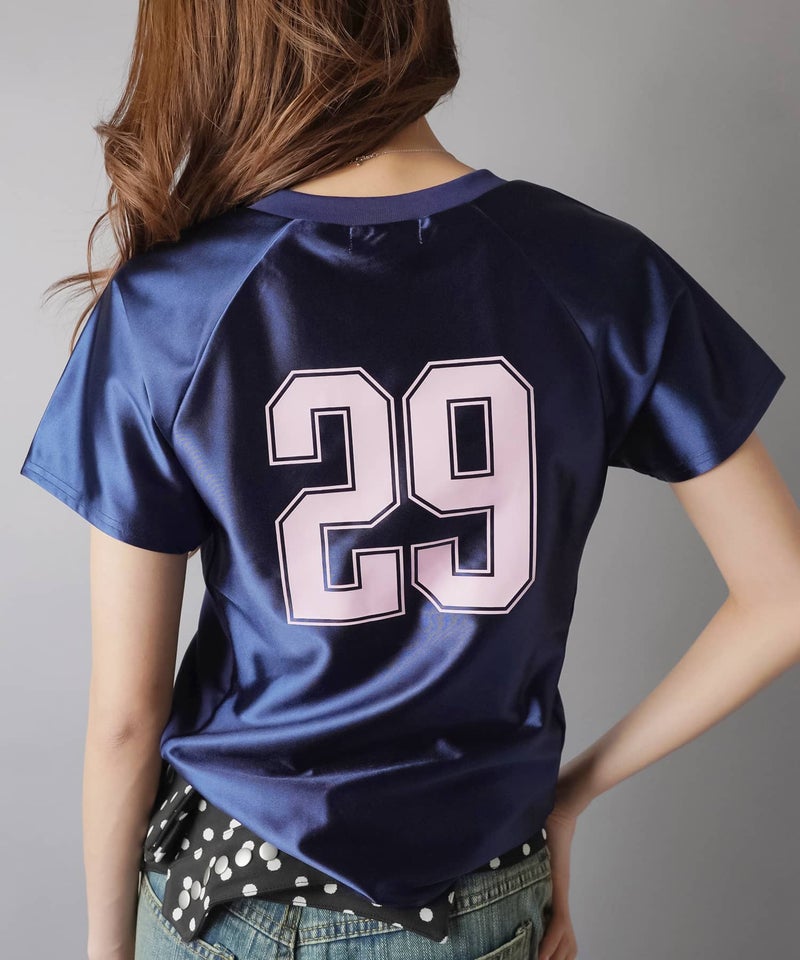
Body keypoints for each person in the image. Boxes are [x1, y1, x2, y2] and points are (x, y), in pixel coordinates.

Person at [18, 3, 799, 960]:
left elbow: (126, 719)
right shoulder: (599, 270)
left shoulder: (171, 309)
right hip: (485, 890)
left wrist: (107, 949)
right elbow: (785, 596)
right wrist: (571, 792)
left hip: (237, 890)